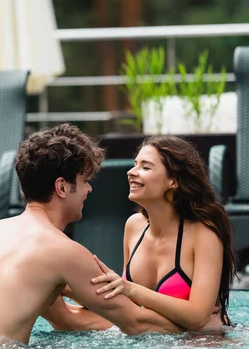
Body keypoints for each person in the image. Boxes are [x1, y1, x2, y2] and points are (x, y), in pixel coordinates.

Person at [0, 124, 181, 346]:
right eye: (85, 180)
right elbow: (136, 323)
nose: (89, 189)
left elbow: (67, 320)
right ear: (62, 187)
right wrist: (206, 329)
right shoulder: (63, 251)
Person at [90, 135, 236, 332]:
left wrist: (130, 288)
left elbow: (198, 317)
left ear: (173, 181)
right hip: (150, 346)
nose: (131, 172)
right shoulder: (134, 227)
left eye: (145, 167)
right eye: (135, 165)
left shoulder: (203, 233)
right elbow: (129, 305)